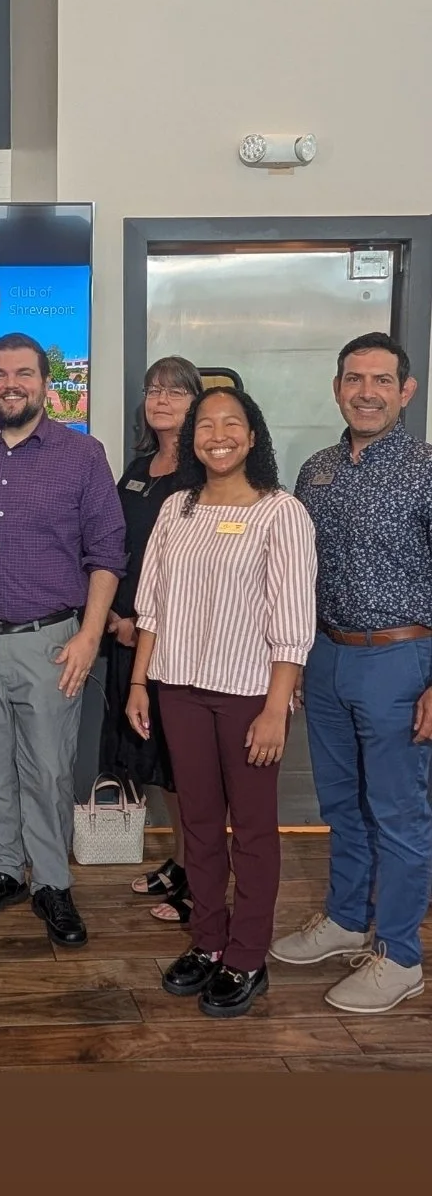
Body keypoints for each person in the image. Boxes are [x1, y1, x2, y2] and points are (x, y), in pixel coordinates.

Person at [127, 387, 317, 1017]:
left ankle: (247, 955)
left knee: (254, 832)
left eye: (231, 423)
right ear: (192, 437)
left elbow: (294, 621)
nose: (217, 434)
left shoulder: (280, 513)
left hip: (248, 697)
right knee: (200, 826)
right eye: (205, 423)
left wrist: (275, 707)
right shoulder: (177, 508)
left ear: (253, 436)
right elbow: (149, 604)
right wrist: (138, 682)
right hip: (178, 689)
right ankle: (209, 942)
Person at [0, 332, 126, 948]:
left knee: (48, 772)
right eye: (0, 374)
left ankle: (52, 882)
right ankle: (2, 869)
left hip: (52, 643)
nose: (11, 384)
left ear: (47, 385)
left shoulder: (83, 456)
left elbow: (107, 556)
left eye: (24, 374)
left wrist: (89, 638)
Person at [270, 332, 432, 1014]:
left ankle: (399, 955)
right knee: (341, 805)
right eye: (353, 378)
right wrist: (300, 654)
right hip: (328, 655)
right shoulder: (316, 470)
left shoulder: (426, 470)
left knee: (399, 813)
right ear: (337, 387)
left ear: (405, 391)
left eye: (380, 380)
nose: (366, 391)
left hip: (401, 657)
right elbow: (304, 572)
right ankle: (345, 919)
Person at [100, 356, 203, 924]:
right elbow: (117, 545)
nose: (160, 399)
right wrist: (116, 616)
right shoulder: (139, 467)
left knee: (187, 765)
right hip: (126, 632)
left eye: (176, 391)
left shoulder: (204, 472)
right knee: (159, 762)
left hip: (174, 642)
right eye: (153, 390)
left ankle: (202, 875)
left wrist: (144, 623)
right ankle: (182, 861)